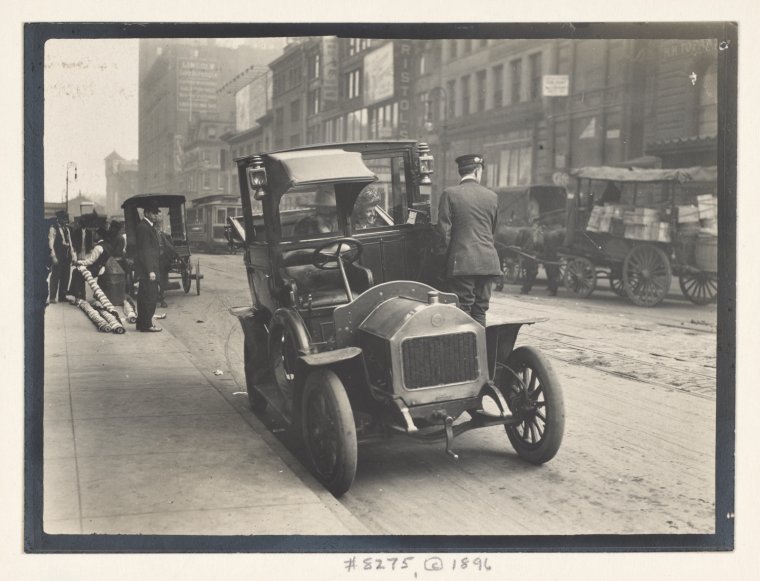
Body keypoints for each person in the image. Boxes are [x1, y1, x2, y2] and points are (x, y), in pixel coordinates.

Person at [436, 154, 501, 326]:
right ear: (478, 171)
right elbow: (493, 230)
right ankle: (480, 350)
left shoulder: (449, 194)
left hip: (463, 264)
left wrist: (443, 264)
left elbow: (444, 234)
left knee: (462, 309)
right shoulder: (492, 196)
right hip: (488, 263)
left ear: (461, 172)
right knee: (480, 310)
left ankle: (464, 351)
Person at [135, 202, 163, 332]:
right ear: (146, 213)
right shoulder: (144, 228)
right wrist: (150, 270)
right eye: (153, 213)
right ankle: (147, 325)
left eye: (156, 213)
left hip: (148, 269)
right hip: (148, 270)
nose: (155, 215)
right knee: (149, 297)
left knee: (145, 296)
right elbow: (145, 251)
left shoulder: (148, 227)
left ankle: (142, 324)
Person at [69, 226, 113, 300]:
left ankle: (80, 296)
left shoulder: (98, 247)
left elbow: (90, 261)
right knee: (78, 271)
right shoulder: (108, 245)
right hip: (104, 268)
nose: (94, 236)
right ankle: (76, 294)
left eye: (95, 234)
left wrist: (78, 262)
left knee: (77, 272)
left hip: (96, 269)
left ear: (99, 235)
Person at [48, 210, 76, 303]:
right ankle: (52, 297)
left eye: (66, 219)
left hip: (66, 255)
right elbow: (51, 244)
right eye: (63, 219)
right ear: (58, 219)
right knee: (55, 276)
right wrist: (53, 257)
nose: (65, 221)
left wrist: (73, 255)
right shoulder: (53, 229)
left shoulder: (67, 229)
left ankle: (62, 296)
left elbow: (71, 243)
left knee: (66, 276)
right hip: (58, 254)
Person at [155, 216, 176, 308]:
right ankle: (162, 298)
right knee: (161, 279)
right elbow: (169, 247)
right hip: (160, 260)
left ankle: (159, 297)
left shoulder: (155, 233)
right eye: (159, 224)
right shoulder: (161, 234)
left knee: (157, 279)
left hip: (155, 260)